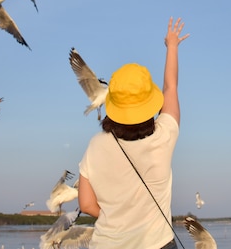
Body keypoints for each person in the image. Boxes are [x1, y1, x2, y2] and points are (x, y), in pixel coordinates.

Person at [78, 17, 189, 248]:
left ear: (113, 106)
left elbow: (86, 204)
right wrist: (172, 46)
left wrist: (117, 220)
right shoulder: (164, 136)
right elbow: (171, 86)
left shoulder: (96, 145)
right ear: (150, 103)